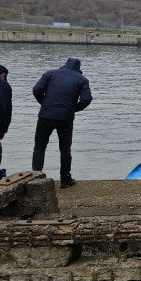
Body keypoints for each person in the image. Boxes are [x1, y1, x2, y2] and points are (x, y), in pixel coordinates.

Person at [32, 58, 92, 188]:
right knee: (65, 150)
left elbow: (36, 90)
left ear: (64, 65)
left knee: (39, 147)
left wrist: (44, 103)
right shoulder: (82, 80)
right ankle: (65, 180)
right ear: (78, 68)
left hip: (45, 115)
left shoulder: (50, 74)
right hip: (65, 118)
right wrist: (73, 108)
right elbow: (86, 99)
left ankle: (36, 179)